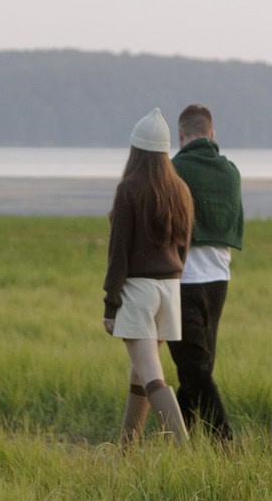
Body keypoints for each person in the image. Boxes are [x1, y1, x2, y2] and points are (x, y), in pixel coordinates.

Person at [103, 110, 193, 445]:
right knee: (140, 370)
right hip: (170, 291)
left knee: (151, 373)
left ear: (135, 151)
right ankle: (125, 453)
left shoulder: (129, 189)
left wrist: (110, 304)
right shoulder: (180, 189)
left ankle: (186, 453)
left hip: (139, 292)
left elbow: (118, 256)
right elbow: (184, 247)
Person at [171, 101, 243, 440]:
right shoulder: (230, 172)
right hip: (219, 281)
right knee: (198, 370)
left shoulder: (172, 171)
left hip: (183, 282)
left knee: (194, 370)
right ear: (212, 134)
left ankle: (225, 444)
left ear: (180, 135)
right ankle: (176, 445)